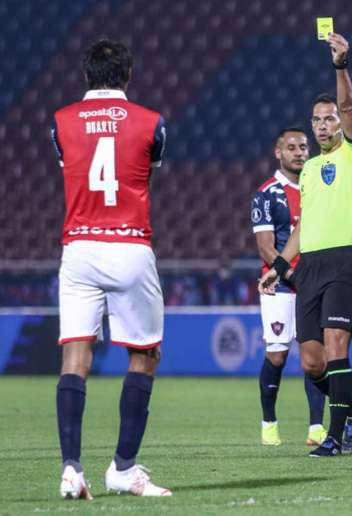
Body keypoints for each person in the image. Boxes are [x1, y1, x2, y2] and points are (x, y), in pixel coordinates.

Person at [51, 39, 170, 498]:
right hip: (128, 245)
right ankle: (122, 468)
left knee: (74, 357)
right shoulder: (152, 122)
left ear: (86, 75)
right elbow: (143, 172)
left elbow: (76, 169)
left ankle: (71, 469)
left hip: (79, 247)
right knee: (144, 355)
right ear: (129, 74)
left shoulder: (60, 122)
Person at [259, 33, 352, 457]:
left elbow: (349, 108)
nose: (324, 125)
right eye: (318, 120)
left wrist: (341, 66)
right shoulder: (308, 169)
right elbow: (303, 228)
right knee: (311, 362)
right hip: (310, 267)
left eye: (329, 119)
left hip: (345, 259)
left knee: (336, 347)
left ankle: (336, 435)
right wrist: (277, 266)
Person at [251, 127, 327, 446]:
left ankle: (315, 428)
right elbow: (266, 247)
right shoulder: (266, 194)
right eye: (291, 147)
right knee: (278, 355)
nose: (299, 152)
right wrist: (294, 277)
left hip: (314, 283)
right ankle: (269, 423)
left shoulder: (319, 187)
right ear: (278, 153)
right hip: (281, 286)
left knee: (314, 356)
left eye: (303, 146)